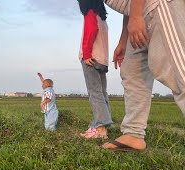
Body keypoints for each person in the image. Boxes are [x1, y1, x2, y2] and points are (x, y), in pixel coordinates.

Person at [103, 0, 185, 151]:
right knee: (132, 71)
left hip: (158, 6)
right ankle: (133, 134)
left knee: (179, 73)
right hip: (140, 10)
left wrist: (135, 17)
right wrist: (124, 38)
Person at [77, 0, 113, 139]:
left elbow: (91, 30)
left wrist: (86, 54)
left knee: (94, 93)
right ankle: (102, 125)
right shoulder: (102, 19)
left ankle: (100, 128)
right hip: (102, 60)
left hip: (91, 59)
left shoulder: (90, 14)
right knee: (102, 93)